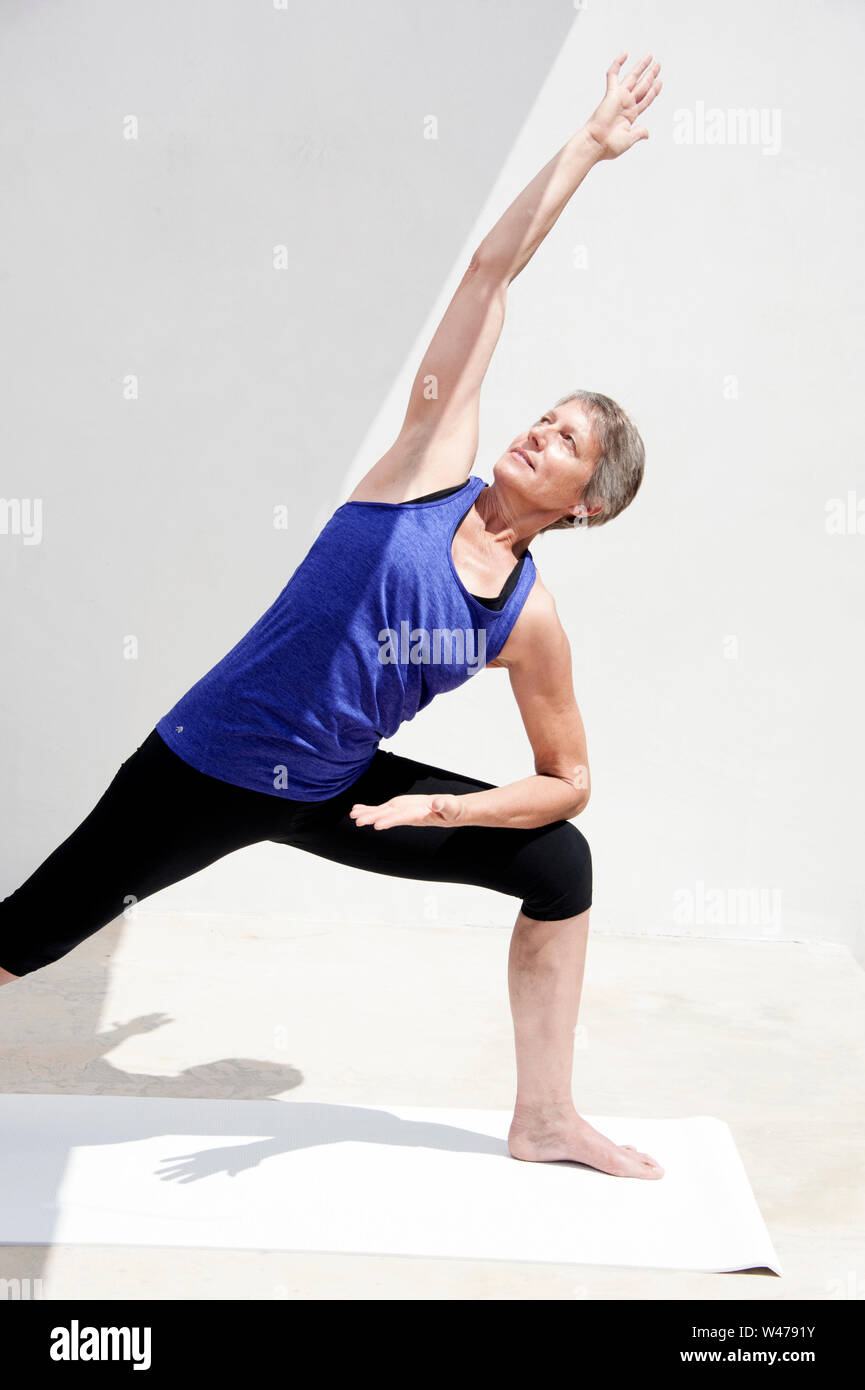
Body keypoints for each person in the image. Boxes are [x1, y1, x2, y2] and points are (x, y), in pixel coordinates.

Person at [1, 52, 665, 1179]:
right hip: (203, 764)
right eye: (542, 414)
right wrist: (588, 149)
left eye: (563, 442)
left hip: (339, 794)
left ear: (584, 505)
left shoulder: (528, 618)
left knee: (561, 865)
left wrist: (437, 813)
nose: (534, 432)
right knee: (25, 936)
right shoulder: (425, 465)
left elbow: (567, 780)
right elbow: (488, 277)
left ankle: (546, 1117)